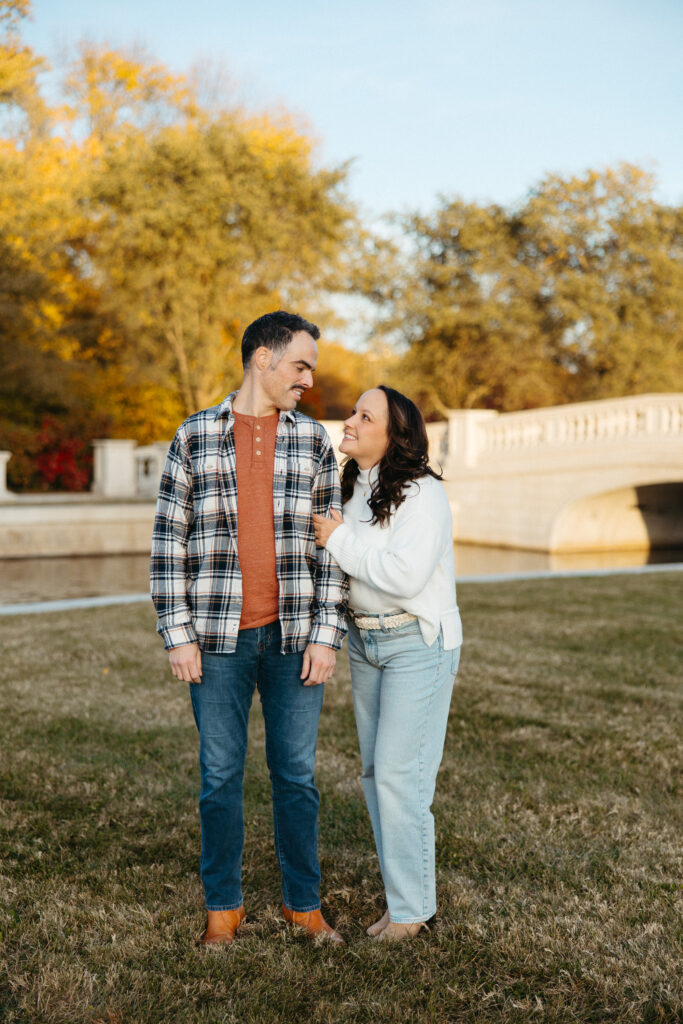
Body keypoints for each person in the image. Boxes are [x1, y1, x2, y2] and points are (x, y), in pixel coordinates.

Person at [151, 311, 348, 947]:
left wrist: (326, 635)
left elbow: (333, 549)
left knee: (296, 778)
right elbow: (168, 543)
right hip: (216, 640)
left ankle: (303, 904)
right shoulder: (194, 435)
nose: (308, 380)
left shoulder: (314, 441)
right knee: (219, 778)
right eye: (300, 365)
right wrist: (178, 633)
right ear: (262, 359)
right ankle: (223, 908)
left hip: (294, 639)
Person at [313, 385, 462, 941]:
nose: (349, 421)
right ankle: (404, 902)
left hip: (416, 644)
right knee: (377, 775)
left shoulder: (422, 493)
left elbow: (405, 575)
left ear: (393, 436)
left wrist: (339, 539)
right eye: (353, 411)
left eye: (364, 416)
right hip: (365, 643)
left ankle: (411, 912)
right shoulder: (351, 485)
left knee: (401, 776)